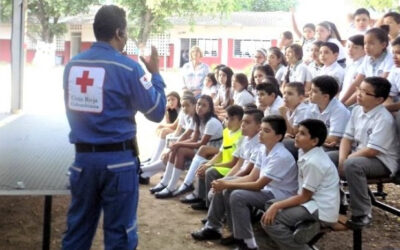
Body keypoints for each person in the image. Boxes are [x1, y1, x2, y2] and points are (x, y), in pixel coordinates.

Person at [61, 5, 166, 250]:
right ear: (119, 32)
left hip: (83, 162)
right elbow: (157, 111)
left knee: (77, 232)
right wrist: (156, 75)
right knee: (120, 234)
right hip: (119, 164)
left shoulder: (72, 66)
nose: (126, 37)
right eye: (126, 32)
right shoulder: (129, 68)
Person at [191, 115, 298, 250]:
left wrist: (227, 184)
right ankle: (213, 228)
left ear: (278, 137)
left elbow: (258, 184)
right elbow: (251, 177)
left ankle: (248, 244)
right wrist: (224, 182)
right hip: (267, 189)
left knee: (237, 195)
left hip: (280, 195)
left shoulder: (281, 156)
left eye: (267, 131)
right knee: (224, 185)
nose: (261, 133)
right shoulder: (263, 149)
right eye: (261, 130)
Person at [327, 77, 400, 228]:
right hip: (359, 154)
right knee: (326, 159)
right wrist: (341, 160)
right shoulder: (357, 110)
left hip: (382, 161)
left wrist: (347, 161)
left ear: (379, 100)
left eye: (366, 92)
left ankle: (362, 214)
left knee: (353, 165)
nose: (359, 94)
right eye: (359, 89)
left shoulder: (383, 118)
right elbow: (347, 138)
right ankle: (338, 203)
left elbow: (373, 150)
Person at [262, 119, 340, 250]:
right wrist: (276, 205)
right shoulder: (304, 151)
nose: (296, 135)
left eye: (302, 133)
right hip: (311, 202)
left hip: (320, 207)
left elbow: (305, 197)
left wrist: (277, 206)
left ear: (314, 141)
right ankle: (303, 225)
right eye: (297, 132)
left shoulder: (314, 162)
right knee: (269, 205)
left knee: (270, 221)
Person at [152, 95, 223, 199]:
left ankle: (174, 186)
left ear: (209, 108)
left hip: (214, 149)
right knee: (176, 149)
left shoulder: (211, 122)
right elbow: (193, 139)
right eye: (199, 104)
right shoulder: (198, 118)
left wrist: (179, 144)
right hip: (204, 147)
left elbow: (201, 143)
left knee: (180, 150)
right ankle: (165, 182)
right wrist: (176, 144)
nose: (200, 107)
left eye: (204, 105)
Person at [173, 105, 243, 197]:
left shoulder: (241, 136)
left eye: (232, 119)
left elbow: (233, 163)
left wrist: (211, 165)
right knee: (202, 164)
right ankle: (200, 196)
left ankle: (207, 201)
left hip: (229, 168)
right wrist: (207, 164)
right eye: (226, 118)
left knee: (210, 171)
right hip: (222, 165)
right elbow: (220, 154)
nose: (228, 122)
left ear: (241, 121)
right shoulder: (226, 132)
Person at [140, 94, 196, 181]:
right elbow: (179, 131)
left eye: (187, 105)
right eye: (183, 106)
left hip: (196, 144)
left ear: (194, 105)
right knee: (170, 150)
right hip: (187, 140)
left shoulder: (196, 118)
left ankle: (143, 170)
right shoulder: (186, 114)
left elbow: (191, 137)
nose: (185, 108)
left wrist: (172, 147)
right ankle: (145, 175)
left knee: (172, 151)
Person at [340, 27, 394, 106]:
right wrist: (342, 103)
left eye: (371, 43)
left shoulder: (390, 59)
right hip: (367, 93)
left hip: (384, 96)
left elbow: (380, 85)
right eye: (365, 43)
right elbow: (356, 83)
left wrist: (346, 105)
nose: (366, 46)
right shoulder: (367, 58)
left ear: (383, 45)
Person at [307, 75, 350, 150]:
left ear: (326, 97)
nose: (309, 93)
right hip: (317, 142)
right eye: (310, 89)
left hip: (335, 147)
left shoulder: (339, 110)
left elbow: (333, 139)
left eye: (314, 91)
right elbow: (305, 129)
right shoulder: (311, 105)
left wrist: (307, 140)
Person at [339, 35, 366, 100]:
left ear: (364, 49)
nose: (350, 50)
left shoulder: (364, 65)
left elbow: (356, 87)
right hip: (343, 99)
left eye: (355, 47)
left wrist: (343, 103)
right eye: (348, 46)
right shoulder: (350, 63)